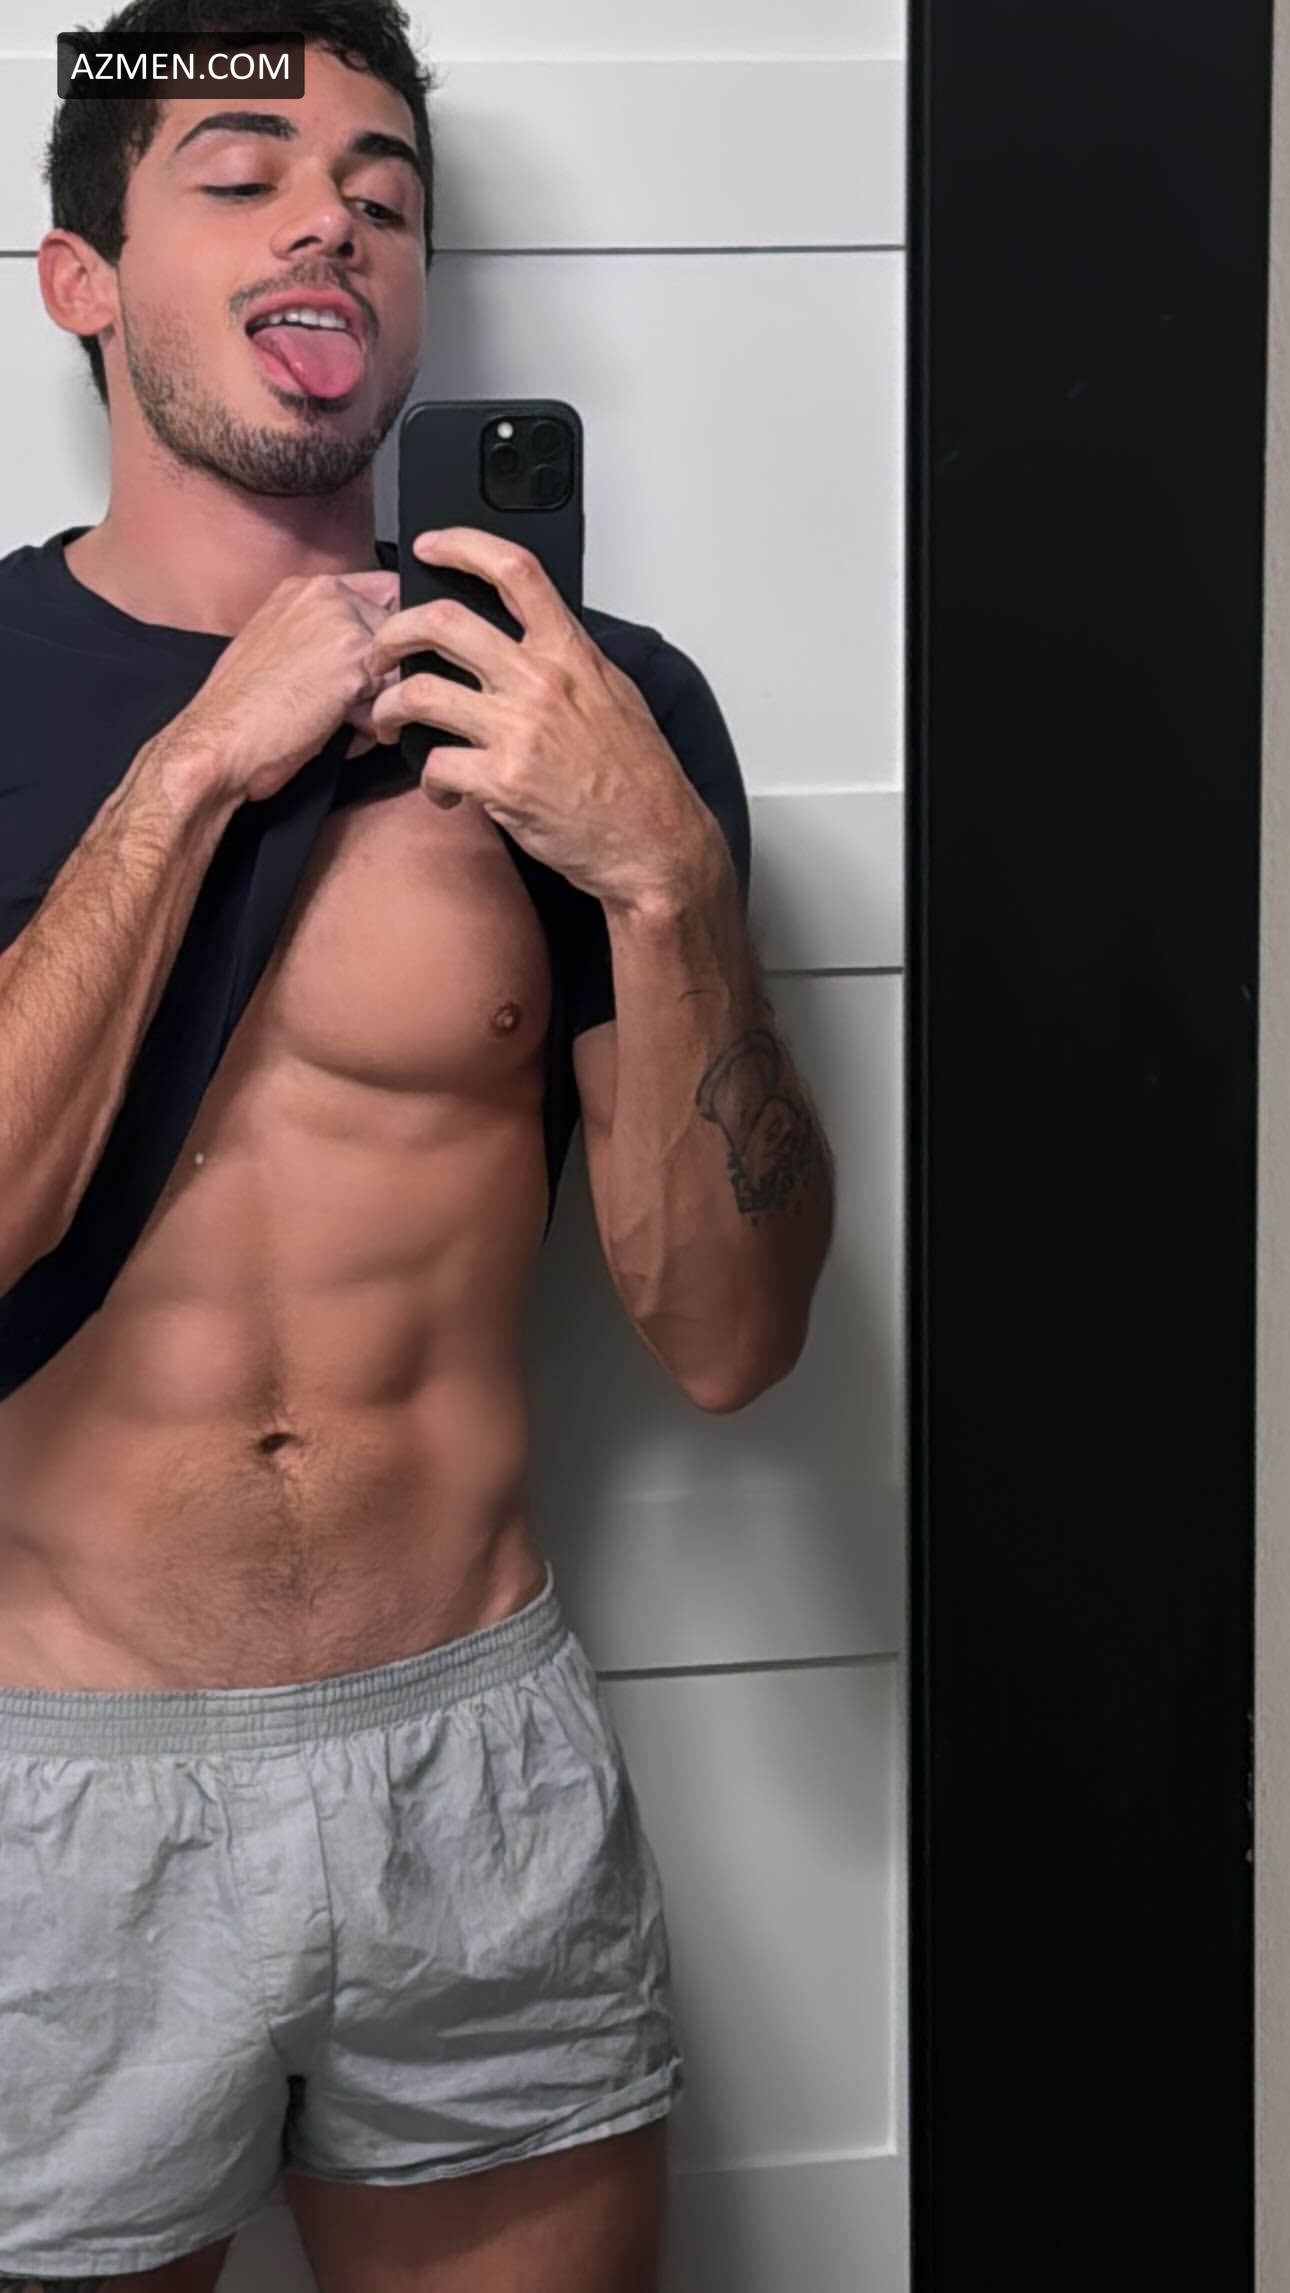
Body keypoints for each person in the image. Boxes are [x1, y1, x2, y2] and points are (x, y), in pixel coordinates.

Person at [0, 2, 836, 2287]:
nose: (331, 227)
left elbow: (732, 1339)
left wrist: (661, 871)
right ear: (82, 280)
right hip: (49, 1784)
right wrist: (198, 760)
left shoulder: (592, 708)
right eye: (242, 175)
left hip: (469, 1758)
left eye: (381, 195)